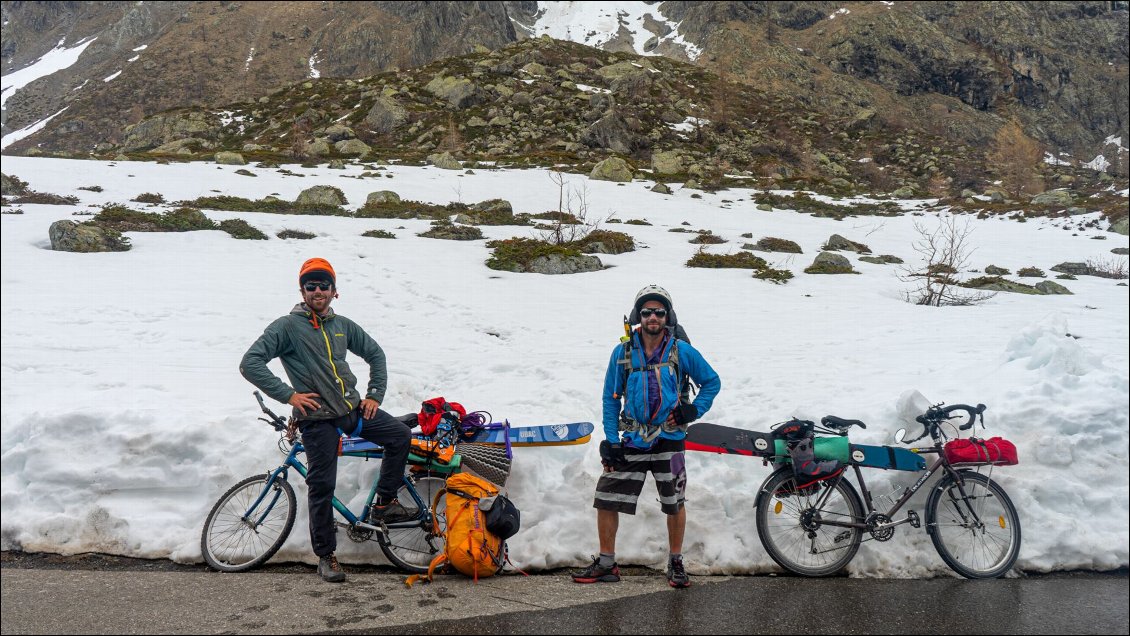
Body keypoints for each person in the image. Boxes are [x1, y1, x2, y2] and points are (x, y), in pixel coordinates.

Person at [240, 257, 411, 583]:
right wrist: (289, 396)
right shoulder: (287, 327)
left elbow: (375, 354)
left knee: (400, 437)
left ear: (335, 291)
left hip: (352, 412)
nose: (318, 291)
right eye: (311, 285)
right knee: (322, 485)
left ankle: (385, 504)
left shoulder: (342, 325)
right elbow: (251, 363)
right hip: (318, 421)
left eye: (324, 285)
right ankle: (325, 555)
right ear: (302, 290)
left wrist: (374, 395)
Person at [573, 285, 721, 588]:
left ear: (668, 317)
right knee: (607, 498)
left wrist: (691, 412)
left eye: (659, 311)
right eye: (647, 312)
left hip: (670, 439)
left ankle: (676, 562)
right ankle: (606, 564)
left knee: (674, 502)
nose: (653, 316)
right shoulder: (624, 352)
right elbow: (611, 398)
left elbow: (712, 382)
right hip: (633, 440)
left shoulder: (682, 350)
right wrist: (611, 440)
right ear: (637, 316)